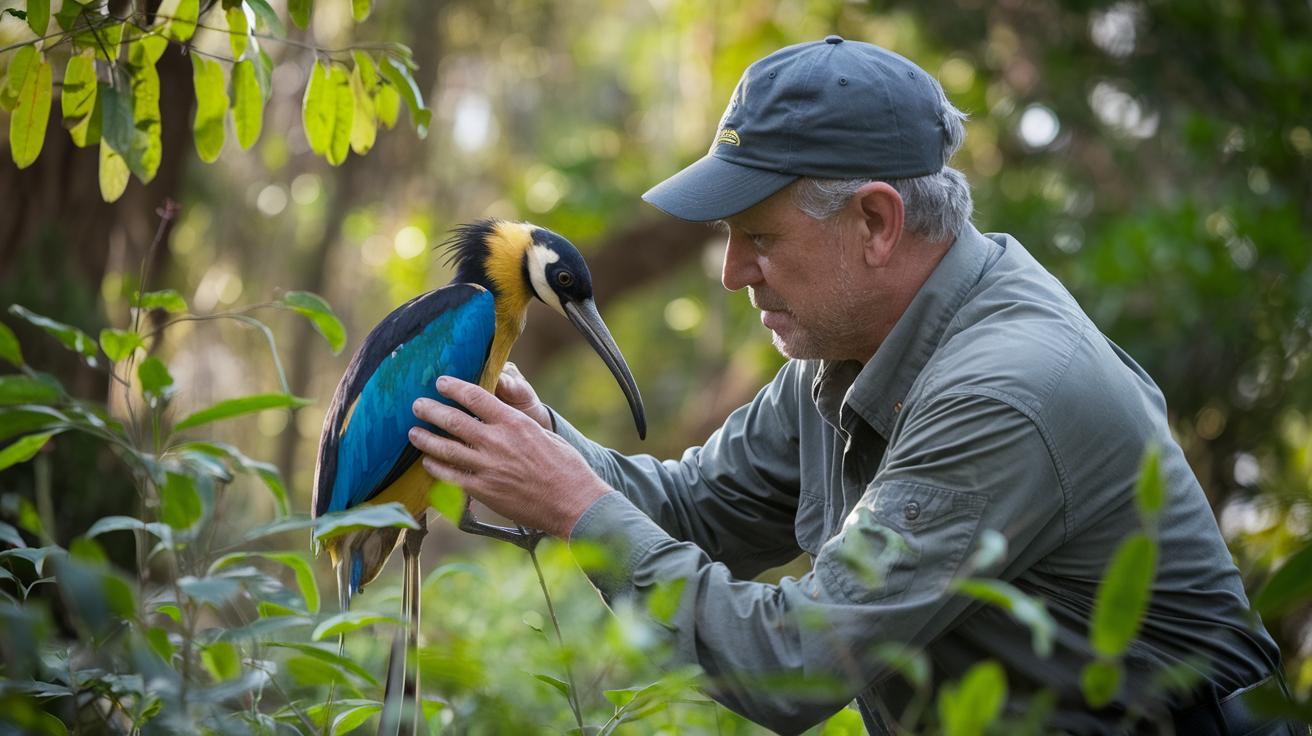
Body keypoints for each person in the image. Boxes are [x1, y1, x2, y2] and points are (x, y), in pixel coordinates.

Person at [408, 37, 1292, 734]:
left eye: (757, 237)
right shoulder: (846, 350)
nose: (731, 275)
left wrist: (569, 504)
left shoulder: (1003, 391)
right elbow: (699, 509)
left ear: (876, 222)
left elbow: (793, 664)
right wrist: (537, 438)